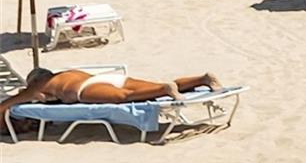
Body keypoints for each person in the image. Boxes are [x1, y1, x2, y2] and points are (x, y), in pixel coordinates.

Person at [4, 66, 222, 115]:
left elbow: (4, 106)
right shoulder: (65, 73)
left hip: (85, 89)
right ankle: (204, 79)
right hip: (108, 78)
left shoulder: (38, 86)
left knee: (124, 97)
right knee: (150, 86)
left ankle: (165, 90)